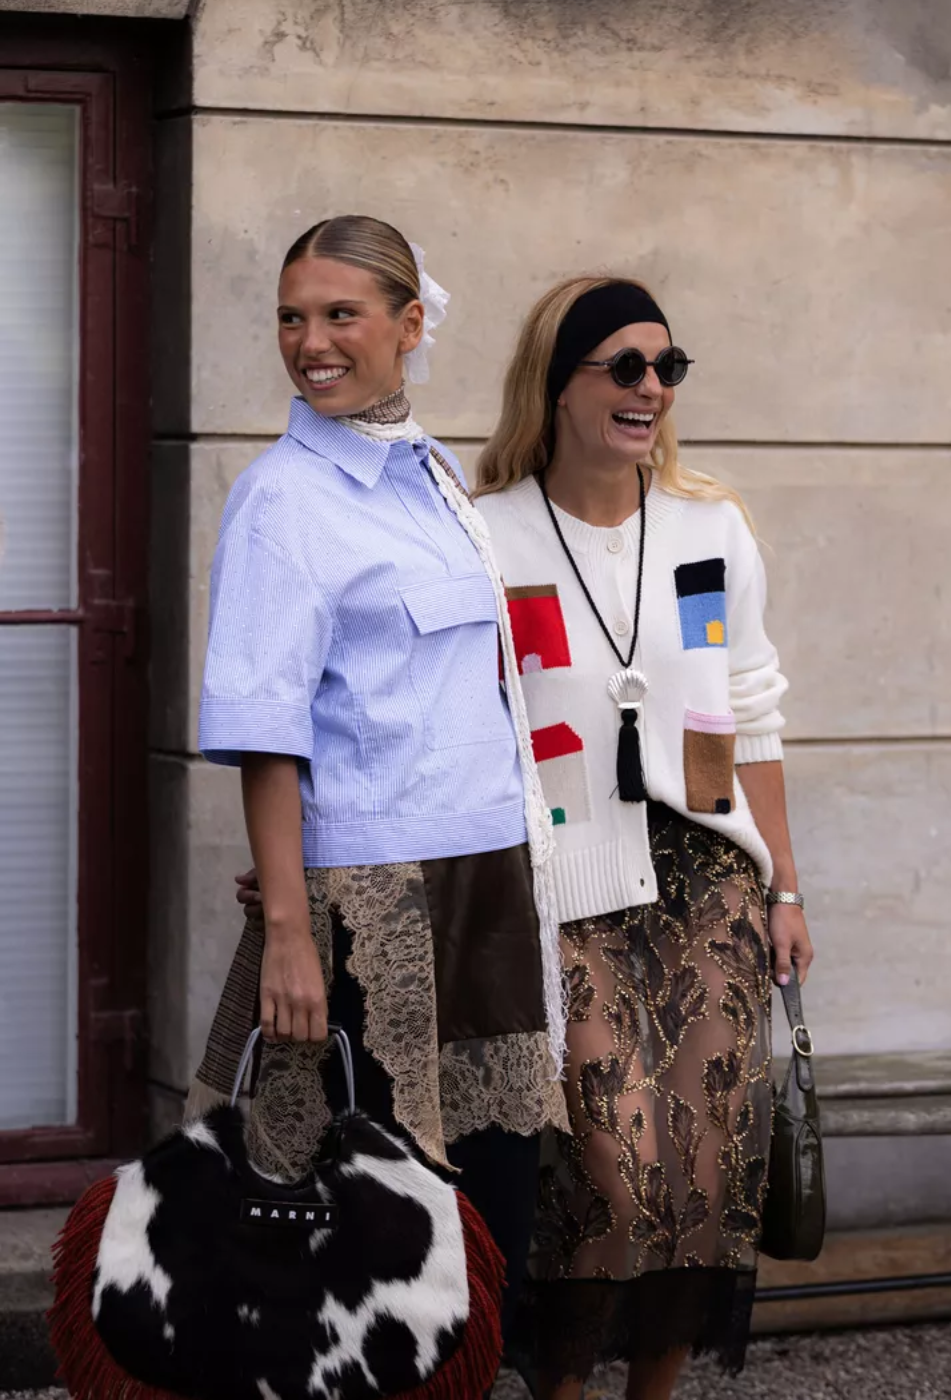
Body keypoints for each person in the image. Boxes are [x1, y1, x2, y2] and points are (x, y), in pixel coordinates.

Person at [189, 214, 569, 1354]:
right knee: (360, 1229)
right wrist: (294, 929)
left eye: (340, 314)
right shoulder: (282, 498)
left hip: (487, 881)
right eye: (293, 317)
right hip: (374, 903)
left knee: (488, 1217)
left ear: (410, 326)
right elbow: (269, 730)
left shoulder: (436, 474)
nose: (311, 342)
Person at [469, 276, 815, 1398]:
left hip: (709, 876)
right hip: (564, 878)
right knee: (604, 1174)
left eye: (667, 367)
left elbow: (743, 708)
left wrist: (786, 889)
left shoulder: (710, 530)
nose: (651, 388)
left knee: (705, 1173)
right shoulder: (490, 534)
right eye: (624, 366)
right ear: (558, 383)